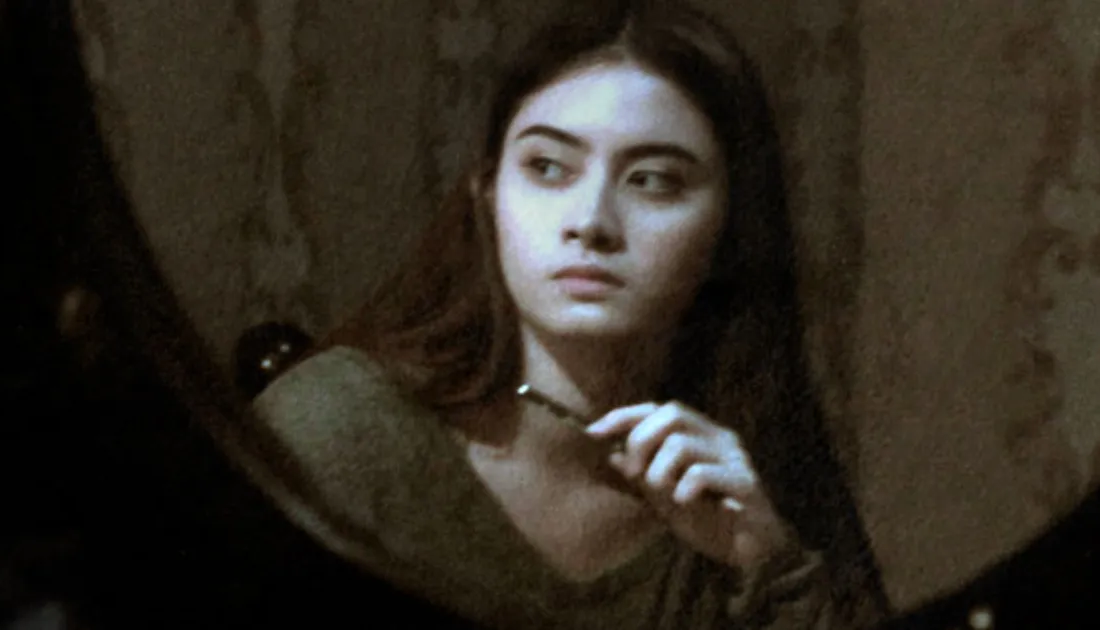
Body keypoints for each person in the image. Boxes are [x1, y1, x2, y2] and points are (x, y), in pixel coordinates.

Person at [240, 0, 891, 627]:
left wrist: (768, 568)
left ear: (731, 225)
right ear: (488, 194)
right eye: (548, 168)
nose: (590, 222)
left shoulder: (757, 483)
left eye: (654, 180)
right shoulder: (340, 433)